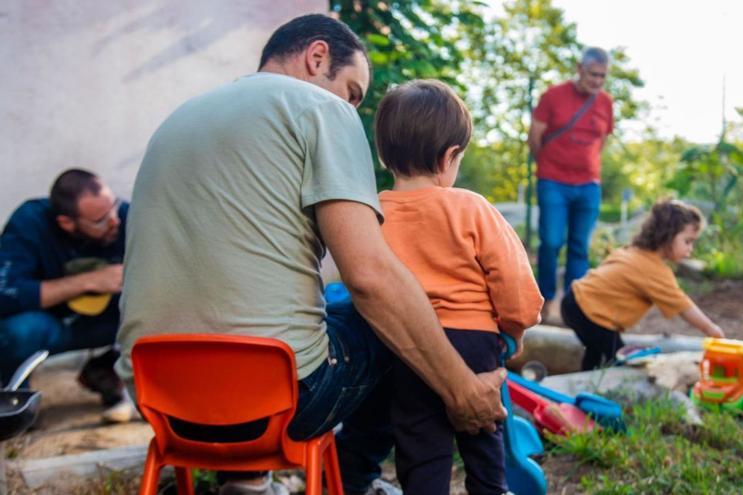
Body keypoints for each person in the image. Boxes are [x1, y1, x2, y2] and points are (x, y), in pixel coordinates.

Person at [115, 14, 506, 495]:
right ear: (317, 57)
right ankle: (359, 482)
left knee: (323, 303)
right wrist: (461, 388)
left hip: (159, 398)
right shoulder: (321, 109)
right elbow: (371, 278)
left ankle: (246, 484)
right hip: (276, 404)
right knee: (388, 316)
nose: (352, 108)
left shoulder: (179, 118)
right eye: (353, 92)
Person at [374, 80, 543, 495]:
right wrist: (516, 329)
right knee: (483, 435)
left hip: (408, 346)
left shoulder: (372, 213)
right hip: (475, 340)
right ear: (450, 157)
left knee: (419, 443)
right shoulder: (470, 206)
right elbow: (513, 281)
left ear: (383, 154)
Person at [0, 168, 135, 423]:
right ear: (66, 222)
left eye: (113, 208)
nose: (114, 221)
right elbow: (5, 294)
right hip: (51, 326)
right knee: (18, 331)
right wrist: (86, 282)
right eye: (100, 220)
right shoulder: (30, 222)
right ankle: (17, 404)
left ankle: (109, 370)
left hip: (109, 323)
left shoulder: (125, 217)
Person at [561, 200, 725, 371]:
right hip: (589, 313)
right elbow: (683, 306)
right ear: (668, 236)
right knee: (618, 361)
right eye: (687, 241)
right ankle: (598, 390)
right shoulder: (654, 270)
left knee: (598, 352)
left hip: (574, 301)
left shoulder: (633, 252)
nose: (690, 248)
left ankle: (584, 385)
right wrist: (710, 328)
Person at [527, 47, 614, 318]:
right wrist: (549, 165)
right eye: (593, 74)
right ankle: (547, 300)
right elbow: (535, 136)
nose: (597, 81)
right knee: (551, 242)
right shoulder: (553, 96)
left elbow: (603, 140)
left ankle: (572, 305)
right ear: (580, 69)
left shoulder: (606, 103)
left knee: (580, 246)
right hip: (553, 180)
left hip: (588, 185)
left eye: (602, 76)